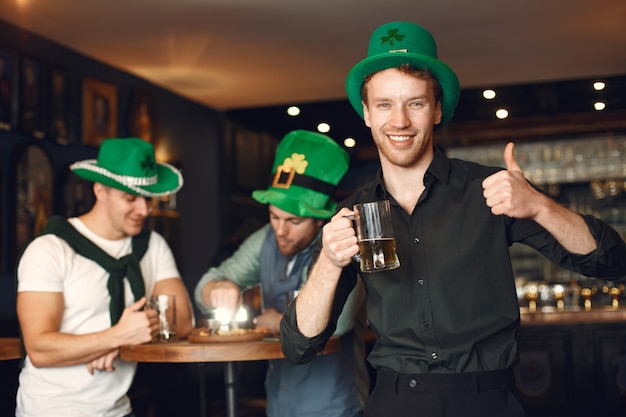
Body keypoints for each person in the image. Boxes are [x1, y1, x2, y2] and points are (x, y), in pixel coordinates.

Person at [280, 22, 626, 417]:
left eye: (415, 103)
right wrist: (328, 262)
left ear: (437, 109)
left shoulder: (489, 190)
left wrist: (539, 206)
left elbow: (611, 262)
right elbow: (298, 345)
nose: (399, 121)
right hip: (395, 400)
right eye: (385, 104)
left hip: (487, 399)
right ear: (367, 114)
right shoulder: (351, 216)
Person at [195, 129, 369, 417]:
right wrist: (217, 288)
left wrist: (277, 320)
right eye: (274, 216)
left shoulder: (344, 243)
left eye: (294, 220)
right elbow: (205, 284)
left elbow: (341, 323)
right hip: (279, 404)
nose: (280, 230)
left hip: (338, 405)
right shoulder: (264, 239)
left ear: (319, 219)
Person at [16, 137, 193, 417]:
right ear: (100, 190)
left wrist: (118, 341)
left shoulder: (153, 244)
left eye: (147, 198)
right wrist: (115, 336)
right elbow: (39, 349)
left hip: (117, 409)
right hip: (51, 409)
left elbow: (182, 321)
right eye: (130, 198)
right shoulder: (50, 248)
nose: (144, 210)